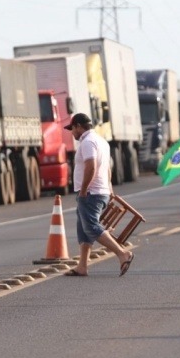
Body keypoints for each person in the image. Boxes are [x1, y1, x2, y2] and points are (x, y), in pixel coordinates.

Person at [62, 113, 135, 277]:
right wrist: (109, 188)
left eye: (72, 129)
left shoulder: (87, 142)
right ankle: (82, 266)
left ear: (79, 126)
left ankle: (122, 254)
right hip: (100, 190)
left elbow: (91, 167)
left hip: (91, 192)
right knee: (83, 227)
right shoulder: (101, 141)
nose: (72, 133)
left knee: (91, 226)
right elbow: (108, 168)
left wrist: (83, 190)